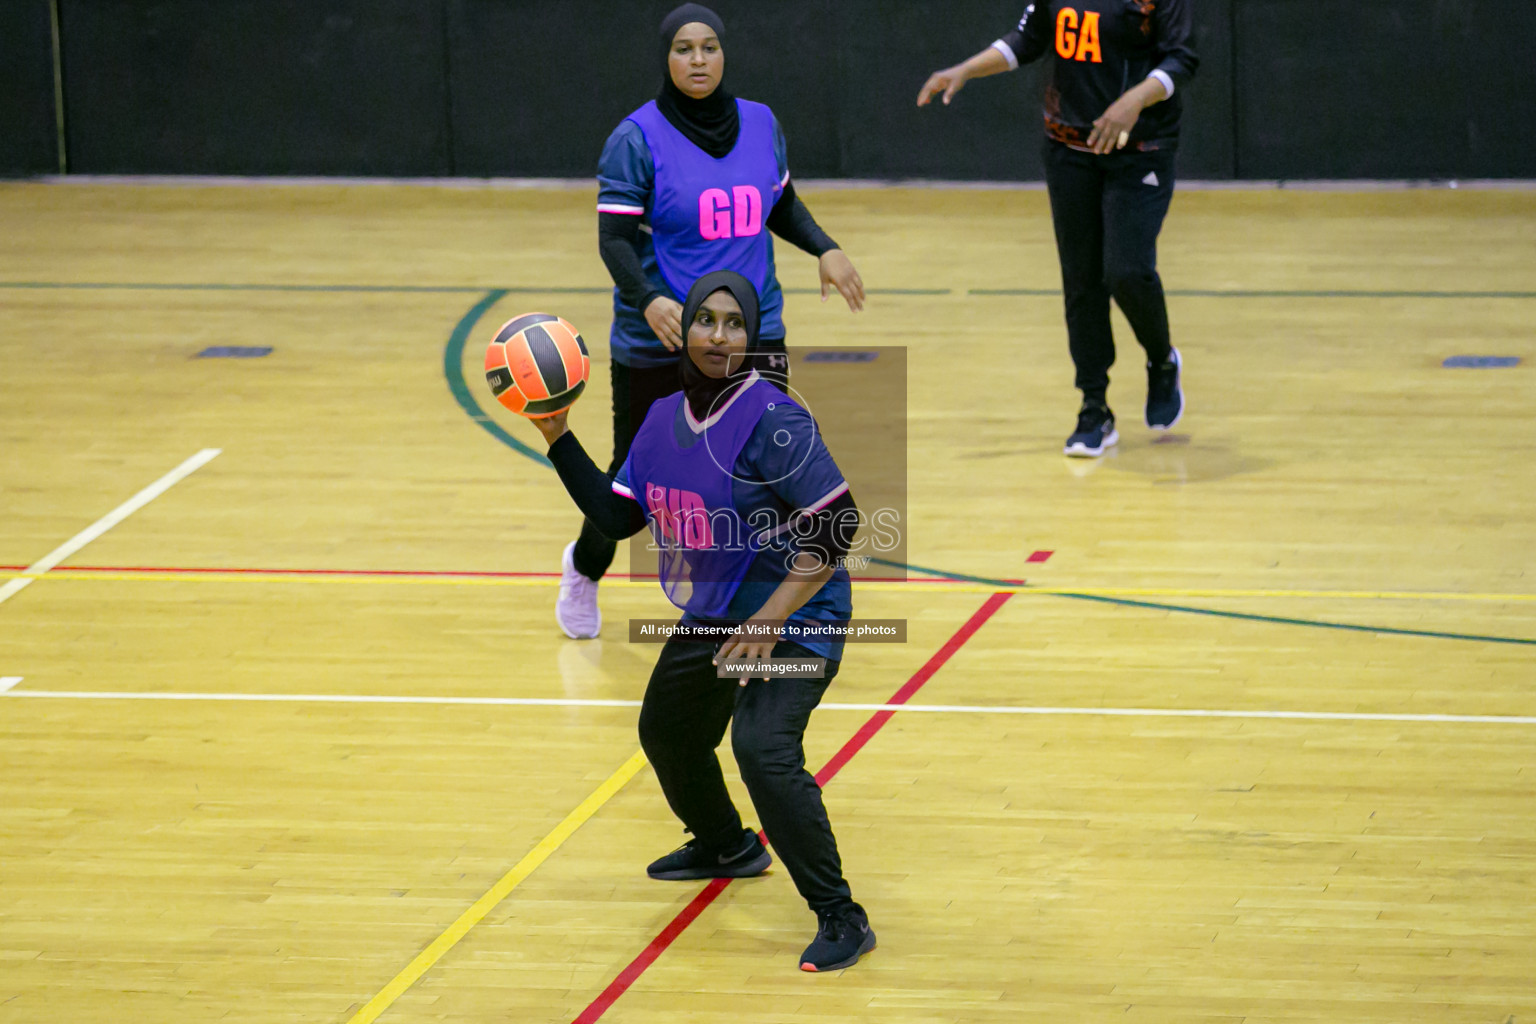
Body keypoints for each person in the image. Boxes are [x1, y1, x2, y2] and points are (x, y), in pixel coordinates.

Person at [529, 270, 876, 973]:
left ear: (752, 337)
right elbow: (620, 516)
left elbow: (839, 527)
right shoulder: (661, 420)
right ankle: (727, 845)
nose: (720, 336)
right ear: (683, 330)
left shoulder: (775, 418)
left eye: (735, 324)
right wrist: (559, 437)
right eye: (707, 321)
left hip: (800, 613)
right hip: (721, 610)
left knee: (761, 749)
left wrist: (773, 619)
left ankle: (843, 916)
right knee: (667, 728)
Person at [558, 2, 865, 637]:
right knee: (633, 484)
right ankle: (585, 566)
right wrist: (648, 297)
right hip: (663, 337)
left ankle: (759, 608)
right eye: (683, 49)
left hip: (754, 331)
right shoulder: (636, 139)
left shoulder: (761, 123)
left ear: (724, 54)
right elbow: (614, 241)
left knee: (762, 471)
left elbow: (780, 206)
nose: (698, 60)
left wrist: (825, 247)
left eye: (709, 48)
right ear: (666, 58)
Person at [918, 2, 1198, 457]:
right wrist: (965, 69)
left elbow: (1181, 57)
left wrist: (1135, 99)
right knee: (1082, 280)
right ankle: (1094, 407)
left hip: (1141, 147)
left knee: (1127, 270)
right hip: (1069, 147)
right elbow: (1028, 39)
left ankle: (1161, 359)